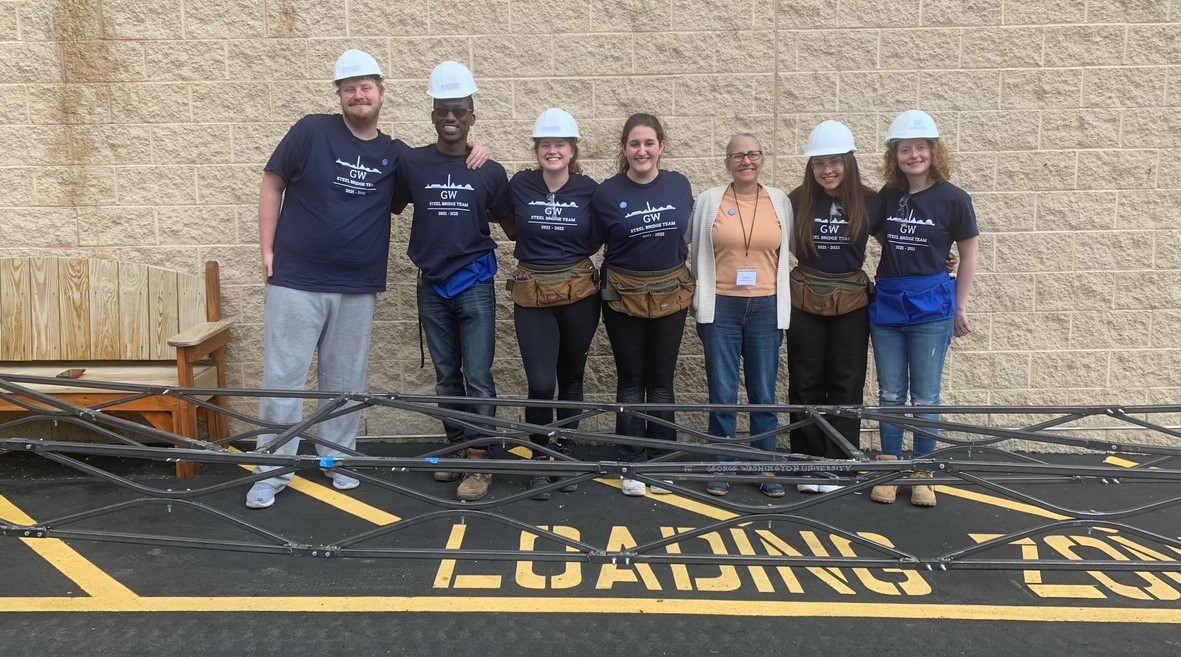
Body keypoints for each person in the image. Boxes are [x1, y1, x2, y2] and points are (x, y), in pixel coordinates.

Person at [245, 51, 487, 510]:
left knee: (345, 380)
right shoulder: (311, 130)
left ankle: (337, 460)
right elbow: (272, 183)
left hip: (357, 283)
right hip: (296, 279)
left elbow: (439, 166)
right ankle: (271, 471)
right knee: (284, 379)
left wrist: (480, 150)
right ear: (339, 94)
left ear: (381, 93)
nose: (358, 94)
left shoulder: (395, 155)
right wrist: (267, 250)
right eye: (349, 87)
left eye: (366, 86)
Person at [393, 61, 515, 503]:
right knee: (447, 375)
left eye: (459, 111)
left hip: (475, 282)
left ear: (471, 117)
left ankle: (480, 461)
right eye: (443, 110)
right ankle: (458, 446)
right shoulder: (412, 163)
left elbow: (514, 226)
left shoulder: (488, 170)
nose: (451, 118)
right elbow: (385, 204)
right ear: (432, 115)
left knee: (478, 376)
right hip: (433, 284)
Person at [868, 109, 979, 508]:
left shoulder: (954, 199)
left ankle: (922, 473)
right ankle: (889, 468)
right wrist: (928, 252)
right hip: (888, 302)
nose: (913, 155)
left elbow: (968, 256)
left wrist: (961, 305)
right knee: (890, 393)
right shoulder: (887, 196)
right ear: (894, 155)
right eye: (904, 149)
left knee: (927, 397)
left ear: (933, 151)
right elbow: (884, 235)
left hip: (932, 305)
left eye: (920, 148)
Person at [591, 112, 695, 498]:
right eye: (634, 144)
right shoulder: (605, 193)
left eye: (649, 143)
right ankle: (631, 463)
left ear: (661, 146)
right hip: (623, 296)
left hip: (671, 293)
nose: (642, 151)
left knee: (662, 383)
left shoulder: (680, 185)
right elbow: (593, 242)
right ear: (624, 149)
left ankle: (662, 464)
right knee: (631, 382)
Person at [690, 133, 792, 498]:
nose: (746, 161)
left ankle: (765, 464)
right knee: (723, 391)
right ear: (727, 161)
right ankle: (723, 463)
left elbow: (791, 249)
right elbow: (693, 244)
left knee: (764, 392)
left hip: (766, 305)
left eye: (753, 154)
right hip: (722, 306)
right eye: (738, 155)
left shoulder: (779, 201)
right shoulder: (709, 201)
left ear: (763, 158)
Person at [507, 108, 600, 501]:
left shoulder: (589, 190)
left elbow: (595, 237)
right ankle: (540, 458)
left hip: (579, 294)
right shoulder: (520, 185)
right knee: (542, 384)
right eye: (545, 144)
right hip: (532, 293)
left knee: (572, 378)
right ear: (537, 149)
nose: (552, 150)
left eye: (560, 144)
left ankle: (566, 453)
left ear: (572, 149)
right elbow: (503, 215)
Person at [786, 120, 879, 494]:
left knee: (845, 383)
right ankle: (808, 463)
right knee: (806, 382)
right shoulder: (795, 200)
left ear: (849, 161)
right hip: (805, 300)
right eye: (818, 163)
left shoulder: (871, 201)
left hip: (852, 305)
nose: (827, 170)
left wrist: (942, 259)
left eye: (834, 162)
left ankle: (839, 464)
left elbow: (903, 240)